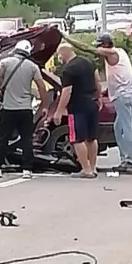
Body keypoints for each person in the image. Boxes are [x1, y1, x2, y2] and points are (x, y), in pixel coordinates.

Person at [62, 32, 132, 173]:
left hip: (123, 95)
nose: (98, 50)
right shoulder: (120, 53)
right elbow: (117, 76)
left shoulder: (112, 53)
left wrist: (66, 37)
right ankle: (126, 158)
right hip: (125, 94)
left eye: (99, 46)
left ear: (105, 45)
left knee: (125, 127)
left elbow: (87, 49)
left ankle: (131, 160)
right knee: (118, 128)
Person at [0, 40, 50, 179]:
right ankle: (27, 170)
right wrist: (45, 105)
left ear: (15, 49)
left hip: (8, 108)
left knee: (2, 138)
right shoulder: (33, 66)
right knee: (27, 139)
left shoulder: (4, 63)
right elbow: (41, 86)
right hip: (26, 109)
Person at [52, 42, 102, 178]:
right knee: (91, 138)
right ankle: (93, 167)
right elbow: (97, 80)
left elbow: (67, 91)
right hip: (92, 104)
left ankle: (86, 170)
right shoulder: (88, 62)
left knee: (77, 139)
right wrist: (99, 97)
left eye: (59, 56)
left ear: (63, 54)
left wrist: (59, 111)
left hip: (78, 106)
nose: (59, 59)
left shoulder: (69, 69)